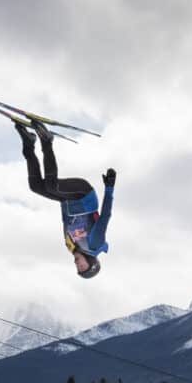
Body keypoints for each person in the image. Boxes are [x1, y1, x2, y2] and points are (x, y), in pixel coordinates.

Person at [18, 119, 115, 278]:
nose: (77, 264)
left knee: (36, 186)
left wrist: (61, 199)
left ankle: (29, 143)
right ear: (91, 261)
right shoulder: (94, 245)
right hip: (83, 194)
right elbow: (105, 217)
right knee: (51, 186)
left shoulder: (71, 246)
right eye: (82, 266)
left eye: (78, 268)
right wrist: (109, 188)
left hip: (68, 201)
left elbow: (66, 220)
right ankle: (46, 140)